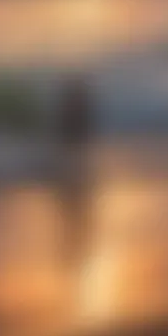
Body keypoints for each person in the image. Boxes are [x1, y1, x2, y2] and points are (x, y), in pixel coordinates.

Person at [55, 73, 95, 263]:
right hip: (73, 136)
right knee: (76, 160)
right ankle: (72, 177)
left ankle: (71, 178)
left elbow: (76, 124)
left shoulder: (74, 103)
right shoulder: (76, 103)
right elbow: (78, 124)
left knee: (75, 160)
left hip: (72, 136)